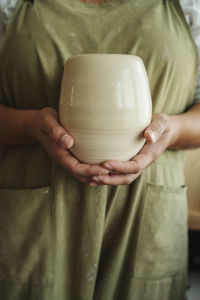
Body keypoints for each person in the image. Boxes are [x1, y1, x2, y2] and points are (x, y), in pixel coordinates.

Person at [0, 0, 199, 299]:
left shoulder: (190, 6)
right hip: (33, 225)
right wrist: (30, 125)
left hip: (145, 222)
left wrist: (173, 131)